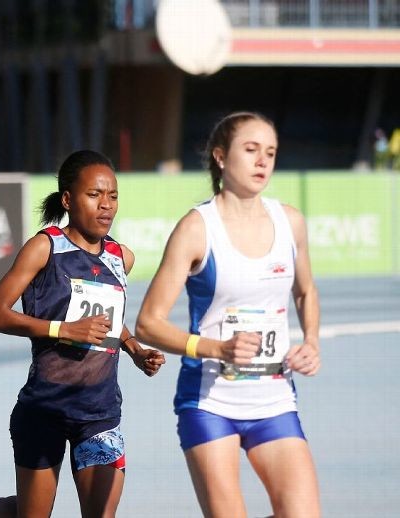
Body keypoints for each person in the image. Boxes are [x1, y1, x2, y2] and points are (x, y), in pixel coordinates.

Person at [0, 150, 165, 518]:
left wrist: (135, 349)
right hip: (45, 409)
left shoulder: (121, 257)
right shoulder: (45, 247)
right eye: (94, 194)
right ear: (68, 199)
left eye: (112, 196)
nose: (106, 205)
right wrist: (62, 329)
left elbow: (108, 319)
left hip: (99, 414)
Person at [135, 112, 321, 518]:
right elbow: (148, 322)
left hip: (274, 401)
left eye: (270, 152)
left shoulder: (290, 222)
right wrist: (217, 348)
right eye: (251, 149)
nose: (262, 161)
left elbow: (305, 290)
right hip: (210, 403)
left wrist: (311, 341)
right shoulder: (197, 228)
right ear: (220, 157)